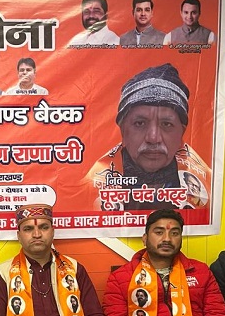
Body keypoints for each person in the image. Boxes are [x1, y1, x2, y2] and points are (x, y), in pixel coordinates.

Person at [86, 63, 211, 211]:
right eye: (140, 123)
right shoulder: (91, 187)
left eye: (166, 124)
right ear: (123, 131)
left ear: (181, 134)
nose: (153, 138)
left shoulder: (209, 186)